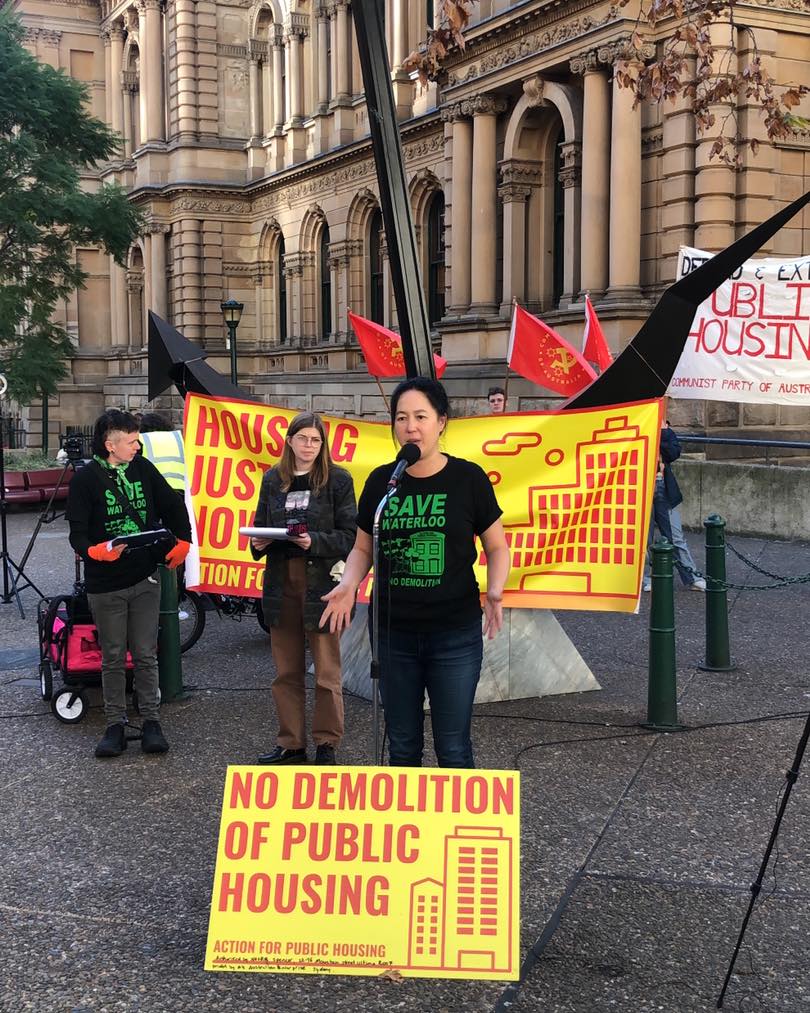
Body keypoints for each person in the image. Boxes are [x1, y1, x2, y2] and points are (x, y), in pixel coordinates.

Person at [321, 377, 511, 768]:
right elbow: (362, 547)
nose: (411, 426)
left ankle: (457, 827)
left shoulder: (468, 479)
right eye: (402, 417)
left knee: (453, 747)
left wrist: (495, 591)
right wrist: (349, 583)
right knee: (402, 746)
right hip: (394, 636)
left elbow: (496, 546)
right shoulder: (382, 482)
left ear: (441, 421)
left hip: (454, 634)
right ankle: (407, 828)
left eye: (421, 416)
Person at [66, 409, 192, 758]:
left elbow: (172, 503)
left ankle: (151, 720)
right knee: (112, 655)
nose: (138, 446)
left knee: (146, 653)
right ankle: (114, 724)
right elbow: (76, 533)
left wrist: (184, 540)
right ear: (111, 444)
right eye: (132, 441)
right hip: (105, 584)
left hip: (145, 577)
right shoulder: (85, 480)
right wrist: (93, 552)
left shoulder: (143, 467)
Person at [250, 412, 357, 766]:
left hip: (323, 587)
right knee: (285, 672)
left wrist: (315, 541)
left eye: (315, 440)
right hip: (282, 585)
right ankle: (291, 744)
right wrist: (259, 543)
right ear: (290, 441)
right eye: (303, 439)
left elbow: (351, 536)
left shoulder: (338, 480)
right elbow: (260, 527)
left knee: (327, 671)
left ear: (322, 444)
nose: (309, 446)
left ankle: (327, 743)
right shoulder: (272, 479)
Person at [643, 419, 706, 592]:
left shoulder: (665, 428)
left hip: (664, 486)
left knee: (675, 535)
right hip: (641, 487)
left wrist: (662, 432)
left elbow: (673, 452)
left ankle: (691, 576)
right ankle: (646, 578)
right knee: (644, 538)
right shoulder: (637, 421)